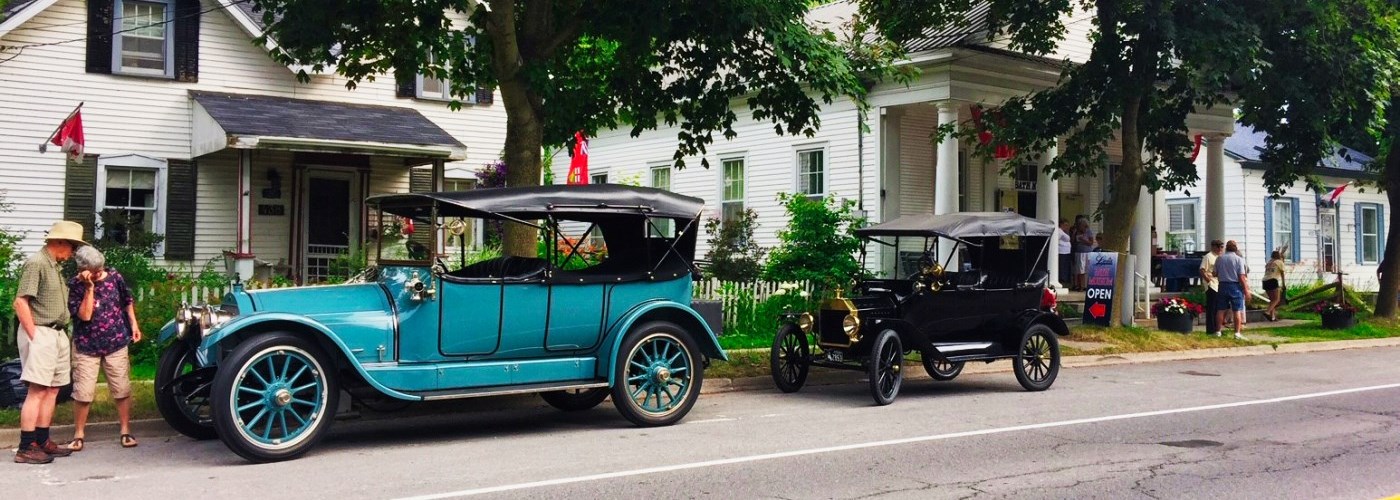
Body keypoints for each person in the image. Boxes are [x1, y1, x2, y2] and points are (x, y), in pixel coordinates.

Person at [12, 221, 84, 464]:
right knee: (37, 390)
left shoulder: (55, 267)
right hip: (41, 332)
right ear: (60, 241)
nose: (73, 252)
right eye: (73, 246)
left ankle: (42, 441)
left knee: (52, 389)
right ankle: (25, 446)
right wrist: (35, 335)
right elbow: (20, 302)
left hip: (57, 332)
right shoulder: (37, 263)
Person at [66, 246, 142, 451]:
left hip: (116, 340)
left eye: (100, 268)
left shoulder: (115, 277)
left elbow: (127, 301)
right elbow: (85, 316)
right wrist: (89, 288)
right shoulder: (75, 285)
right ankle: (78, 433)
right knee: (83, 392)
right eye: (94, 270)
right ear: (82, 269)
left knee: (121, 388)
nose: (99, 273)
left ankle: (125, 430)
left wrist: (133, 324)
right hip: (86, 345)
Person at [1215, 240, 1251, 340]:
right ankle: (1237, 333)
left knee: (1220, 310)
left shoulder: (1220, 258)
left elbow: (1215, 273)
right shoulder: (1238, 259)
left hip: (1222, 285)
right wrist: (1246, 290)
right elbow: (1241, 276)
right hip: (1235, 286)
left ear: (1226, 247)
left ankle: (1218, 332)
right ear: (1236, 248)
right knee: (1237, 310)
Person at [1200, 239, 1224, 336]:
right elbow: (1202, 270)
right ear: (1213, 246)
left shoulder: (1220, 257)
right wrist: (1208, 280)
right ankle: (1210, 330)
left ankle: (1216, 328)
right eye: (1218, 246)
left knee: (1218, 308)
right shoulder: (1208, 257)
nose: (1220, 248)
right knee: (1211, 308)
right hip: (1211, 285)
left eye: (1221, 246)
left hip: (1218, 284)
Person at [1071, 215, 1095, 291]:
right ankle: (1080, 286)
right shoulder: (1076, 231)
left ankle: (1088, 285)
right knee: (1080, 270)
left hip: (1087, 252)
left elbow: (1091, 242)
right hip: (1079, 252)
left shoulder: (1088, 231)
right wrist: (1074, 234)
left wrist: (1083, 240)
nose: (1081, 226)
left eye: (1082, 224)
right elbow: (1072, 241)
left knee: (1088, 269)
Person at [1263, 250, 1286, 321]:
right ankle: (1267, 312)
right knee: (1277, 299)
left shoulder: (1269, 262)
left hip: (1265, 281)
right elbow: (1282, 273)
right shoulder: (1279, 262)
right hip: (1273, 280)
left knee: (1272, 300)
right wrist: (1283, 284)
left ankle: (1272, 317)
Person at [1056, 219, 1072, 286]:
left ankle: (1065, 280)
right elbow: (1057, 239)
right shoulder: (1059, 231)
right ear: (1061, 224)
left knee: (1066, 267)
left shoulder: (1064, 231)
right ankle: (1062, 280)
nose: (1067, 226)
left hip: (1066, 252)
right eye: (1065, 225)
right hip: (1062, 252)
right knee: (1063, 267)